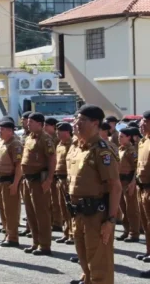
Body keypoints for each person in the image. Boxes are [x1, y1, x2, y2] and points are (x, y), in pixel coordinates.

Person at [68, 105, 121, 284]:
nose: (76, 123)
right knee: (85, 262)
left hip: (97, 215)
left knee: (100, 268)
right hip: (79, 213)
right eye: (76, 119)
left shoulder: (102, 149)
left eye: (81, 120)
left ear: (95, 123)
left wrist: (110, 221)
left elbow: (115, 186)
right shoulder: (76, 147)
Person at [21, 112, 56, 256]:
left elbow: (52, 159)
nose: (28, 124)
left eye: (31, 122)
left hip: (39, 180)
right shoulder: (29, 137)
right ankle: (35, 242)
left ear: (40, 124)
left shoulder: (45, 139)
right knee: (31, 212)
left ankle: (45, 245)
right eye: (28, 121)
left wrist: (49, 179)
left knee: (42, 213)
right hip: (28, 180)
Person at [0, 117, 23, 248]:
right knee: (3, 210)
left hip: (9, 181)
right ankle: (7, 234)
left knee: (11, 211)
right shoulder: (1, 142)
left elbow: (18, 166)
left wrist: (15, 184)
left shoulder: (15, 144)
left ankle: (13, 237)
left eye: (3, 129)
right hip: (0, 181)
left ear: (10, 131)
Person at [116, 127, 139, 243]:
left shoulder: (131, 151)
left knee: (131, 209)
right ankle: (126, 230)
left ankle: (134, 233)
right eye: (119, 136)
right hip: (120, 182)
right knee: (123, 208)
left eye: (122, 136)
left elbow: (137, 168)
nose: (119, 139)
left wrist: (133, 182)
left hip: (128, 181)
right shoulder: (120, 149)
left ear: (128, 137)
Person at [54, 122, 74, 245]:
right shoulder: (59, 145)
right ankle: (66, 232)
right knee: (62, 208)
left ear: (67, 132)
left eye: (60, 131)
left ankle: (72, 234)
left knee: (70, 208)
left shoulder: (72, 145)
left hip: (68, 179)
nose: (57, 133)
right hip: (60, 179)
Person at [136, 111, 150, 263]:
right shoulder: (143, 141)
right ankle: (148, 251)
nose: (141, 125)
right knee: (146, 224)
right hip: (143, 188)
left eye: (145, 121)